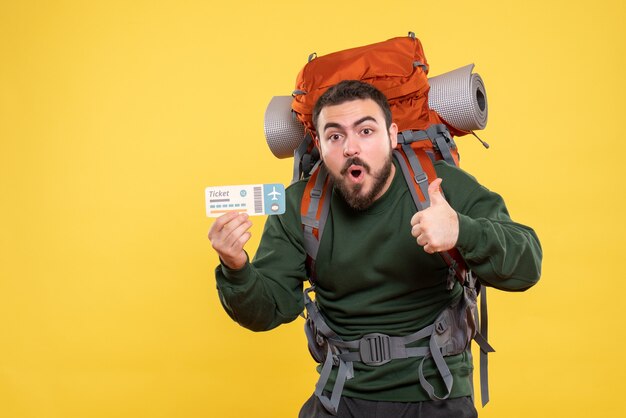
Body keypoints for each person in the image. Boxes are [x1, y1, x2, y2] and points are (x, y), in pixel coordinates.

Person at [208, 80, 542, 418]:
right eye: (335, 136)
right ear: (320, 147)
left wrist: (462, 231)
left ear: (392, 136)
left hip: (437, 394)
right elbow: (266, 311)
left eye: (366, 131)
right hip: (340, 397)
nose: (351, 148)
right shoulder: (301, 206)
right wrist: (236, 267)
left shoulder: (441, 186)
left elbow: (527, 266)